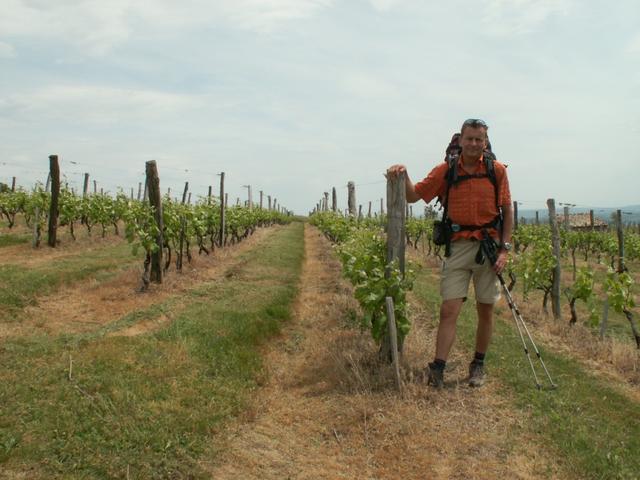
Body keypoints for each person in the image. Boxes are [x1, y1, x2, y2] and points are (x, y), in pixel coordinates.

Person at [387, 118, 513, 388]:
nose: (474, 143)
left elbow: (507, 210)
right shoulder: (446, 170)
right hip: (457, 247)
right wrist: (403, 174)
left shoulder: (498, 171)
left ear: (485, 142)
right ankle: (438, 368)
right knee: (448, 309)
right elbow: (413, 196)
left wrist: (504, 249)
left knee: (485, 309)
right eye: (469, 138)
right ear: (460, 140)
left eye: (479, 139)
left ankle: (478, 364)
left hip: (489, 247)